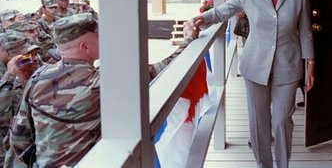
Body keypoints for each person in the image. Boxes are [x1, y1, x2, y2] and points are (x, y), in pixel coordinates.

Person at [9, 13, 199, 167]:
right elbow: (164, 69)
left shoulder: (37, 78)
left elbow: (19, 139)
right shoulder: (104, 80)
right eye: (99, 37)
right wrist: (189, 39)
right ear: (84, 47)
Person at [189, 0, 314, 168]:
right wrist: (202, 18)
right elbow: (224, 10)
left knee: (281, 121)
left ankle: (282, 165)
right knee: (258, 123)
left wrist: (310, 66)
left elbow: (305, 32)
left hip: (288, 65)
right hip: (255, 65)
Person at [0, 32, 40, 167]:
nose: (33, 59)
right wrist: (10, 75)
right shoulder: (8, 74)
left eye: (34, 54)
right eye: (27, 55)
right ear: (8, 54)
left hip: (24, 142)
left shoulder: (31, 67)